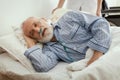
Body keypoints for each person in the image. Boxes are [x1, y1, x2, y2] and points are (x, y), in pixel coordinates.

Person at [22, 10, 111, 72]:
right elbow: (43, 66)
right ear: (35, 39)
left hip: (108, 46)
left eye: (36, 24)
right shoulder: (49, 50)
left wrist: (96, 56)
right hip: (95, 67)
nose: (38, 30)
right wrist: (30, 42)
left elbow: (100, 23)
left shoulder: (69, 17)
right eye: (32, 33)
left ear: (44, 19)